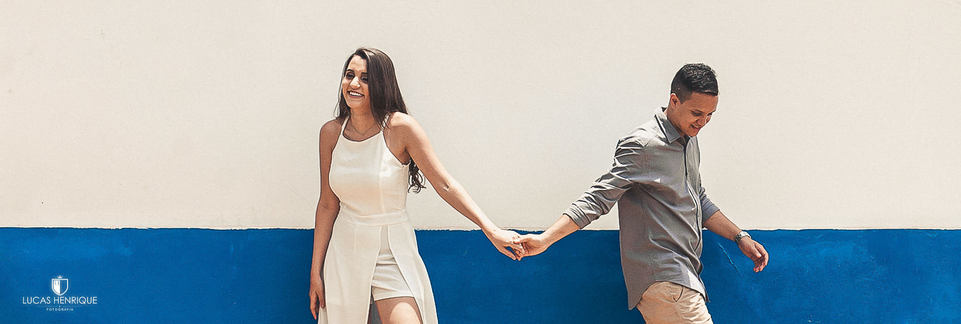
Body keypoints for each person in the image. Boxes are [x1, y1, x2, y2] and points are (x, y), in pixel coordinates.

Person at [520, 63, 767, 324]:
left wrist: (739, 237)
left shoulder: (689, 140)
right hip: (665, 277)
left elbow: (698, 199)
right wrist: (545, 239)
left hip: (684, 275)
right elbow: (598, 197)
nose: (703, 122)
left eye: (710, 115)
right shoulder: (643, 144)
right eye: (697, 113)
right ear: (674, 100)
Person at [309, 47, 523, 324]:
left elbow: (445, 184)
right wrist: (315, 271)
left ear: (382, 84)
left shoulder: (401, 128)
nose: (354, 83)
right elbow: (328, 204)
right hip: (344, 252)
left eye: (365, 78)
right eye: (350, 75)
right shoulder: (330, 133)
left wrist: (490, 229)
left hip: (392, 250)